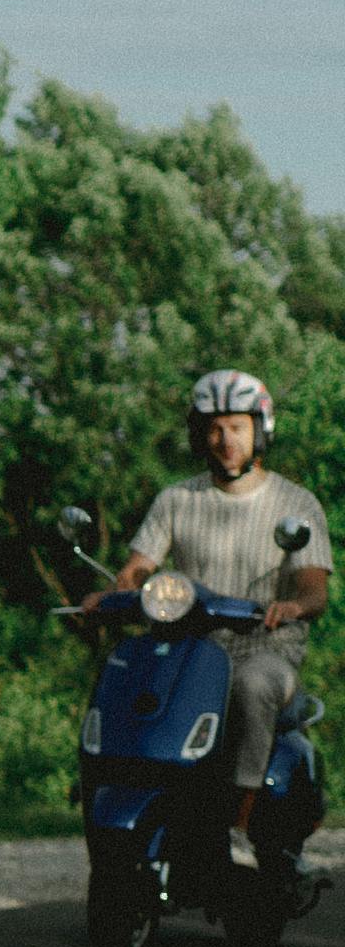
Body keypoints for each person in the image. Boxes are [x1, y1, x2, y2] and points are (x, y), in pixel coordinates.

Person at [111, 367, 332, 870]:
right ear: (198, 433)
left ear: (260, 430)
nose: (224, 438)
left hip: (267, 645)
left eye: (236, 426)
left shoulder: (294, 504)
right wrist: (117, 590)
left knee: (253, 688)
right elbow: (137, 566)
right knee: (129, 677)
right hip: (190, 645)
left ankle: (240, 823)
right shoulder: (177, 500)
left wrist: (294, 605)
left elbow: (314, 588)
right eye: (213, 427)